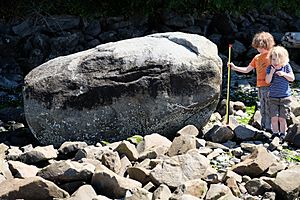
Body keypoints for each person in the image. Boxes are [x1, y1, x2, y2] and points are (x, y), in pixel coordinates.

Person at [229, 31, 275, 131]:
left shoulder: (272, 56)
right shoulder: (256, 58)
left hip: (270, 86)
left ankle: (270, 127)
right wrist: (235, 67)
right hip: (260, 85)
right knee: (262, 106)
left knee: (268, 106)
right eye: (257, 46)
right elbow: (247, 69)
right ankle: (264, 126)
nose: (258, 49)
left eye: (259, 46)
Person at [265, 46, 294, 140]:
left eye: (278, 60)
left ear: (283, 59)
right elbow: (267, 81)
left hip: (285, 97)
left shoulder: (286, 67)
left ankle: (282, 133)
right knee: (274, 118)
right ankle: (275, 133)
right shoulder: (270, 68)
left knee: (282, 118)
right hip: (273, 97)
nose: (275, 62)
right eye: (273, 59)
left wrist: (284, 74)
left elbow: (292, 78)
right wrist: (271, 73)